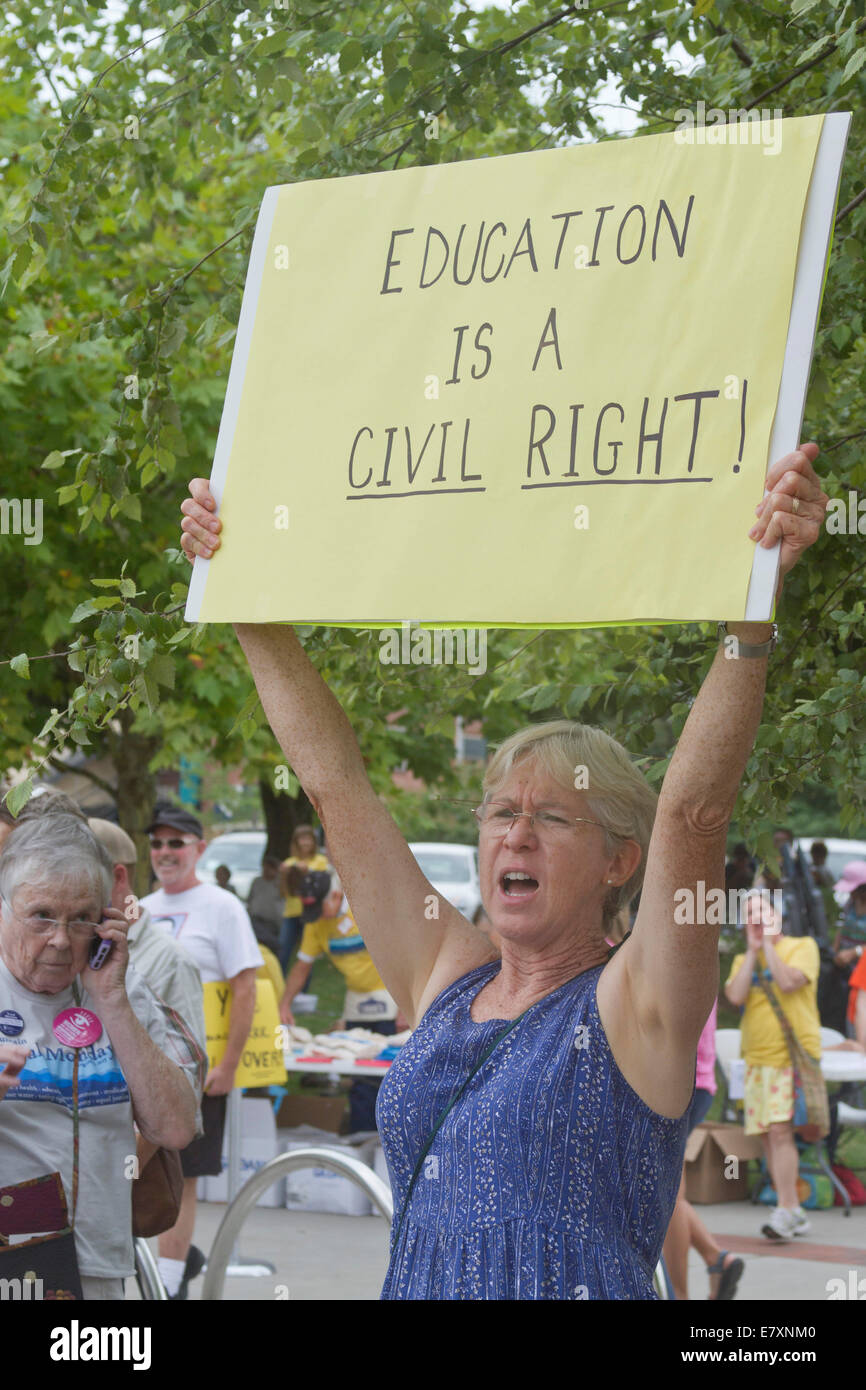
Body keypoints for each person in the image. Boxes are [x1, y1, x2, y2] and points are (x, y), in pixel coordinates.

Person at [181, 441, 828, 1299]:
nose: (514, 835)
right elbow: (334, 786)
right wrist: (242, 595)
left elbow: (694, 811)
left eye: (552, 818)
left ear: (618, 861)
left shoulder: (638, 1004)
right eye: (499, 814)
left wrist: (755, 606)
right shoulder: (448, 974)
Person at [0, 815, 199, 1299]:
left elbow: (176, 1127)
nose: (61, 939)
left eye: (81, 918)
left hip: (98, 1266)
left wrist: (111, 1000)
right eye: (41, 915)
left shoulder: (121, 988)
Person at [140, 804, 264, 1300]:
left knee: (182, 1175)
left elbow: (246, 987)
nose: (166, 852)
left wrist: (229, 1064)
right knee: (143, 1168)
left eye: (177, 842)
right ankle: (174, 1262)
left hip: (198, 1066)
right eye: (158, 843)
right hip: (145, 1065)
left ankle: (169, 1286)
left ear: (200, 848)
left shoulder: (222, 906)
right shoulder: (143, 909)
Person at [724, 890, 822, 1241]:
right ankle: (793, 1208)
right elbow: (734, 996)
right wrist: (752, 952)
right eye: (749, 913)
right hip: (756, 1059)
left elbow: (788, 982)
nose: (755, 918)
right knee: (767, 1134)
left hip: (790, 1057)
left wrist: (767, 947)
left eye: (761, 911)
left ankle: (784, 1209)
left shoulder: (802, 947)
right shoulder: (742, 960)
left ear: (778, 915)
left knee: (781, 1131)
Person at [280, 871, 398, 1132]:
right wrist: (285, 1003)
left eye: (321, 909)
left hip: (390, 993)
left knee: (390, 1072)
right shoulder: (316, 922)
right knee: (359, 1072)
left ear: (335, 895)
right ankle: (360, 1131)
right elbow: (302, 966)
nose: (319, 918)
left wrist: (406, 1003)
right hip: (356, 997)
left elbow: (403, 954)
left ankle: (389, 1133)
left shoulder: (366, 907)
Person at [662, 1001, 744, 1299]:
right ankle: (716, 1258)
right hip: (694, 1079)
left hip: (679, 1080)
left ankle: (679, 1294)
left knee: (668, 1195)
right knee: (669, 1190)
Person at [279, 826, 329, 973]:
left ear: (314, 841)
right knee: (283, 948)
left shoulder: (321, 861)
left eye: (309, 838)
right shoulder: (288, 863)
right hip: (291, 912)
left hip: (311, 914)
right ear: (296, 842)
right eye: (302, 839)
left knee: (307, 953)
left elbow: (323, 887)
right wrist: (285, 875)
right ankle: (279, 982)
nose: (305, 842)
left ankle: (303, 992)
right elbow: (285, 892)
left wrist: (307, 872)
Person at [246, 855, 286, 956]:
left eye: (270, 868)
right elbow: (250, 900)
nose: (267, 870)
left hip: (274, 923)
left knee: (272, 946)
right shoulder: (257, 882)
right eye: (265, 867)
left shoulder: (280, 883)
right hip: (256, 920)